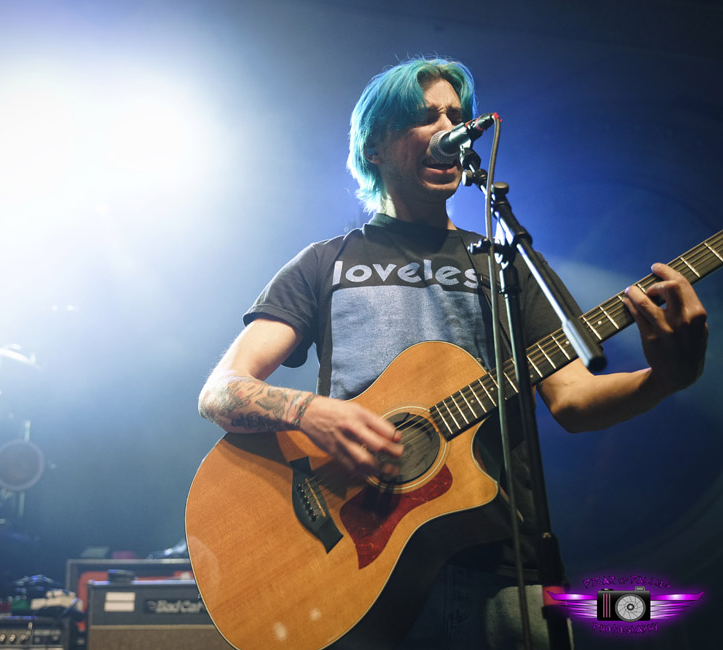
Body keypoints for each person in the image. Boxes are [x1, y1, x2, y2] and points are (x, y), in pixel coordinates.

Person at [196, 56, 709, 649]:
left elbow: (573, 399)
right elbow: (221, 390)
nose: (447, 127)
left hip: (503, 570)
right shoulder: (323, 264)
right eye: (424, 117)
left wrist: (666, 378)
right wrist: (312, 412)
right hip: (360, 573)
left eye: (456, 115)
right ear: (376, 147)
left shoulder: (506, 263)